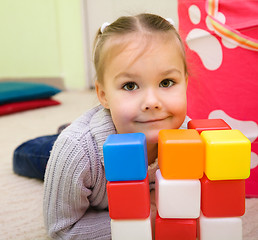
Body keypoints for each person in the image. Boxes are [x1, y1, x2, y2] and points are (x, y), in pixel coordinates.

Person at [14, 13, 190, 239]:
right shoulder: (75, 151)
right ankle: (61, 132)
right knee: (26, 154)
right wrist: (147, 223)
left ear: (186, 82)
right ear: (103, 95)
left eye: (166, 83)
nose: (152, 102)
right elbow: (62, 229)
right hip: (73, 150)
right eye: (130, 85)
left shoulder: (189, 135)